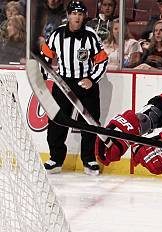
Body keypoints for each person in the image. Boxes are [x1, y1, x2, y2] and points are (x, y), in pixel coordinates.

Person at [41, 0, 108, 175]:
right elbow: (45, 57)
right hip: (63, 83)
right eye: (74, 14)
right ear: (68, 15)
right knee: (57, 121)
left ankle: (89, 160)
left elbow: (102, 60)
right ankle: (55, 159)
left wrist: (92, 79)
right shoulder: (56, 34)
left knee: (90, 122)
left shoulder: (91, 35)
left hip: (86, 84)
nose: (77, 17)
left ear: (84, 16)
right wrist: (43, 76)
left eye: (80, 14)